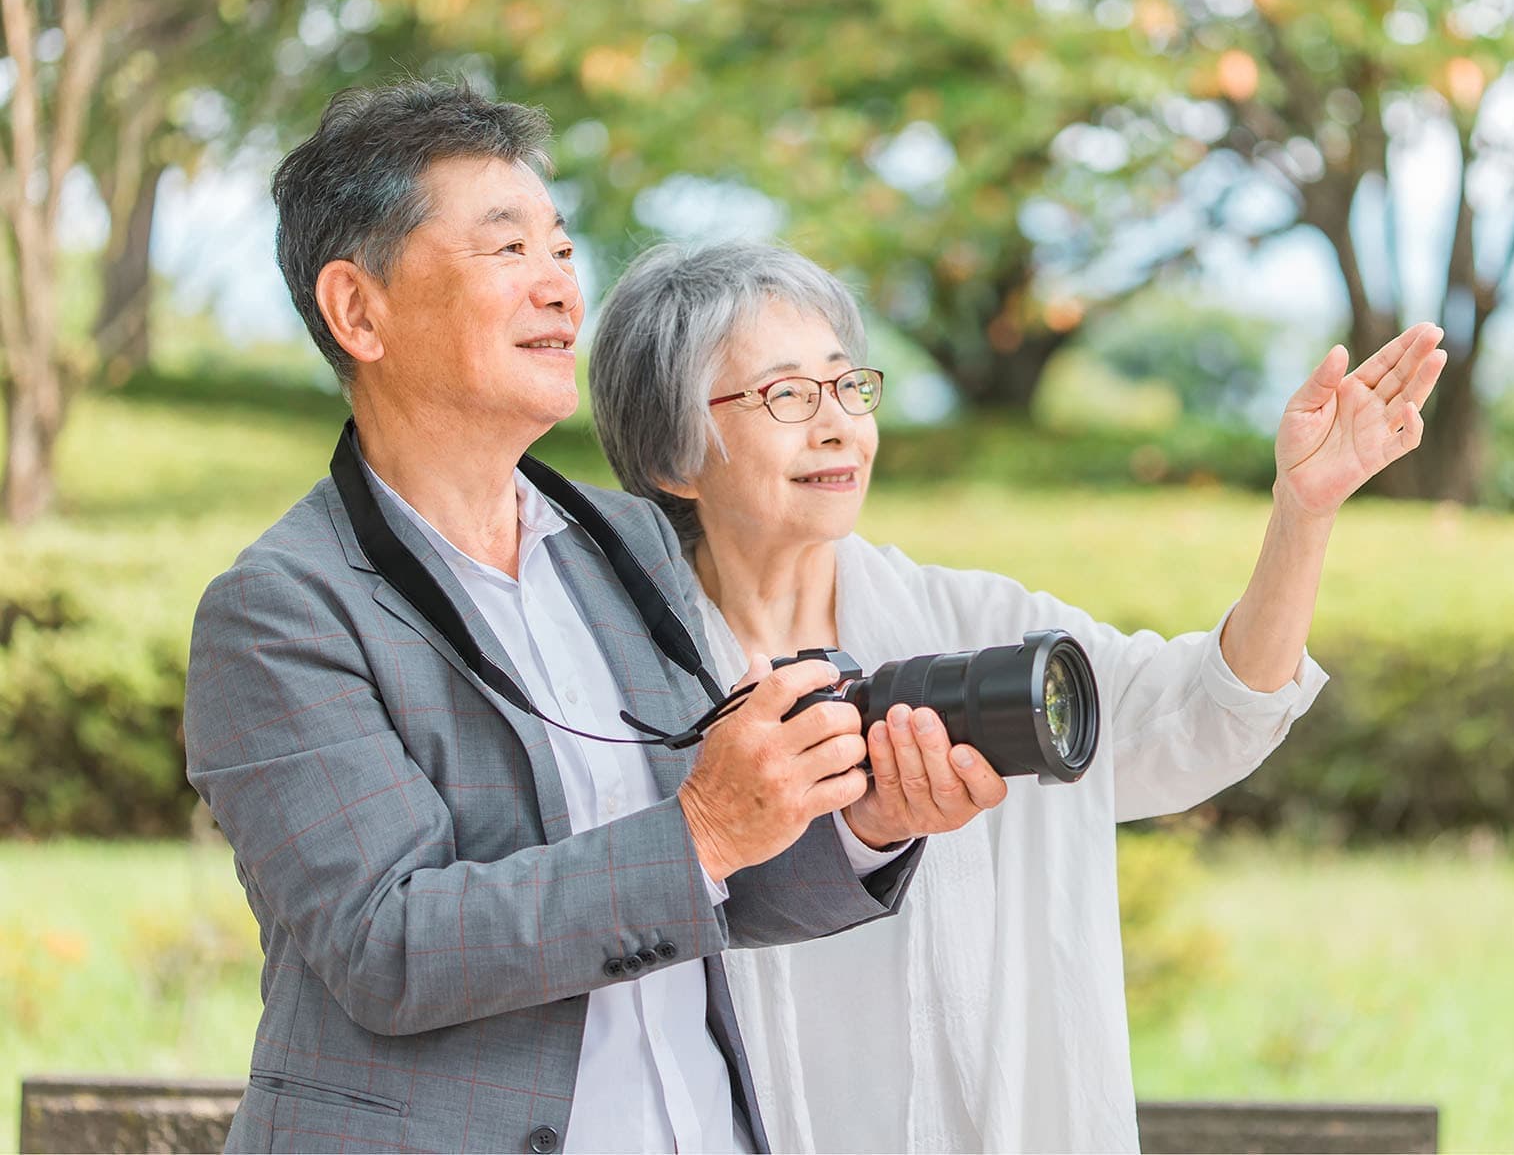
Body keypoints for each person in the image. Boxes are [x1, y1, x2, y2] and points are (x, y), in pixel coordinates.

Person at [183, 81, 1001, 1155]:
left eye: (563, 250)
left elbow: (708, 885)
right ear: (357, 310)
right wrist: (705, 826)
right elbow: (388, 945)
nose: (561, 288)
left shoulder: (628, 543)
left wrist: (862, 820)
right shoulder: (280, 612)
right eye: (505, 247)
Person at [587, 239, 1448, 1152]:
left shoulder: (973, 625)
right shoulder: (611, 682)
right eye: (787, 396)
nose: (837, 424)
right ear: (675, 455)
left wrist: (1302, 512)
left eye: (848, 386)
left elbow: (1201, 715)